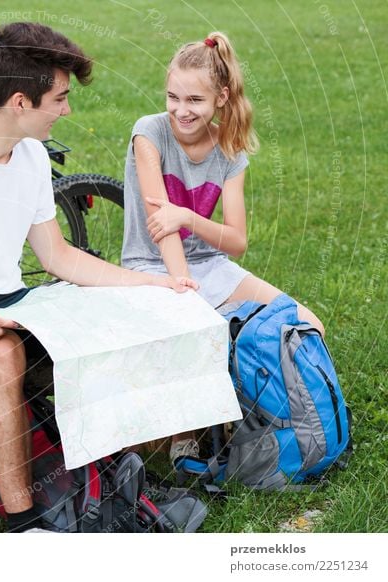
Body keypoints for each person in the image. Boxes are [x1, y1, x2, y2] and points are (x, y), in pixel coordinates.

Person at [0, 21, 197, 532]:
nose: (66, 109)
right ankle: (25, 524)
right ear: (19, 102)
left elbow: (59, 257)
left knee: (113, 321)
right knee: (3, 354)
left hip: (12, 304)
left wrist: (151, 284)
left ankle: (122, 480)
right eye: (58, 98)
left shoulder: (32, 156)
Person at [121, 31, 325, 464]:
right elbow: (163, 229)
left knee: (308, 324)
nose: (180, 110)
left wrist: (190, 217)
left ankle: (276, 421)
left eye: (194, 100)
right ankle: (184, 443)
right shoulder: (149, 133)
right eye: (173, 97)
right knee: (195, 333)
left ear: (221, 98)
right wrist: (181, 284)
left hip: (209, 265)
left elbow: (236, 241)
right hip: (155, 266)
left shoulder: (230, 152)